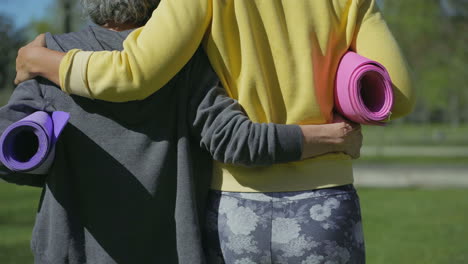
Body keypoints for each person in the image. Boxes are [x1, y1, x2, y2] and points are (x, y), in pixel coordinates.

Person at [14, 0, 411, 262]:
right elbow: (399, 93)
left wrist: (40, 57)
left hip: (236, 210)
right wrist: (339, 114)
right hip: (325, 204)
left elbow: (133, 74)